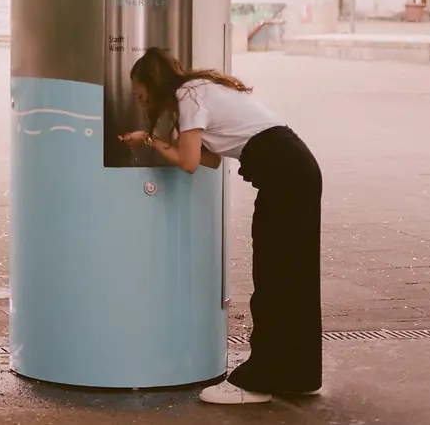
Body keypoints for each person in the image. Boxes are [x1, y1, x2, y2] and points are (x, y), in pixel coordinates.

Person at [121, 47, 323, 405]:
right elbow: (209, 160)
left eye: (140, 94)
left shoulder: (188, 96)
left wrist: (150, 140)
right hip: (296, 168)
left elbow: (187, 162)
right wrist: (162, 140)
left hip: (284, 175)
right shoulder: (201, 89)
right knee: (296, 275)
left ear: (153, 84)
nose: (140, 101)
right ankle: (299, 374)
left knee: (274, 275)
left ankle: (257, 382)